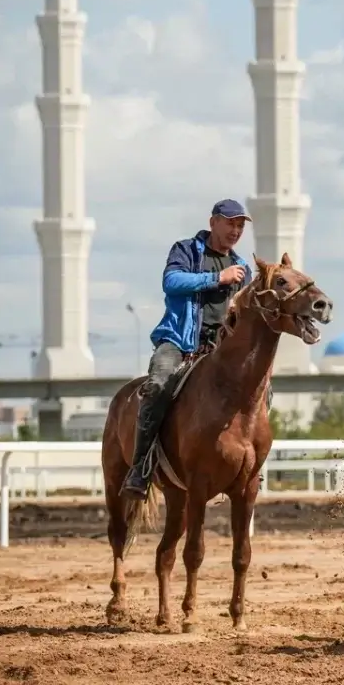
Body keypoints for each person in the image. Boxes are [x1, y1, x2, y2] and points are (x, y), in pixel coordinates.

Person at [122, 199, 254, 499]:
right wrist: (217, 278)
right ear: (213, 222)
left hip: (219, 352)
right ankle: (141, 468)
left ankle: (243, 465)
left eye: (240, 225)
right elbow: (172, 281)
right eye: (230, 223)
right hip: (180, 343)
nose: (235, 230)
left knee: (260, 391)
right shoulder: (185, 250)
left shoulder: (243, 268)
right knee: (157, 385)